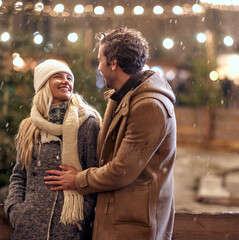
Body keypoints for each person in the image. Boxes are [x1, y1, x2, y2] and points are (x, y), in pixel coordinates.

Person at [44, 28, 177, 239]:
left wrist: (78, 179)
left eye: (100, 60)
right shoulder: (124, 96)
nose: (98, 67)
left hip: (133, 223)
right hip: (118, 215)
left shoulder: (149, 105)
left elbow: (122, 170)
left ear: (113, 62)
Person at [4, 59, 102, 240]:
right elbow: (19, 176)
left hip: (69, 229)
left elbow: (95, 173)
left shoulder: (87, 124)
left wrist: (81, 219)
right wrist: (16, 212)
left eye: (69, 78)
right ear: (43, 83)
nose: (66, 81)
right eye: (58, 76)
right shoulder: (29, 126)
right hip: (28, 229)